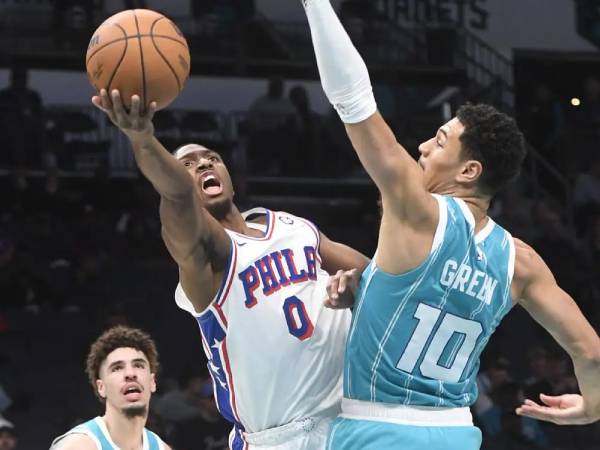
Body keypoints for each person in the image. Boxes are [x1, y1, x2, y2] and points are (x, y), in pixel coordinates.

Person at [300, 1, 600, 449]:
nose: (422, 147)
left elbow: (352, 99)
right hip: (457, 433)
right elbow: (590, 352)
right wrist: (593, 407)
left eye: (439, 141)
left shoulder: (416, 211)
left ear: (469, 171)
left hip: (379, 429)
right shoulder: (521, 261)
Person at [91, 89, 369, 450]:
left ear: (231, 176)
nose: (204, 164)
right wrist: (142, 138)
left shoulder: (291, 225)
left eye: (212, 158)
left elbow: (379, 275)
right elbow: (177, 197)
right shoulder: (206, 257)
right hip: (280, 437)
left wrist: (353, 288)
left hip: (355, 416)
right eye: (188, 164)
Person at [50, 326, 170, 450]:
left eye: (138, 365)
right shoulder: (78, 446)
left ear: (152, 382)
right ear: (101, 387)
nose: (130, 373)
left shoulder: (162, 448)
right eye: (117, 368)